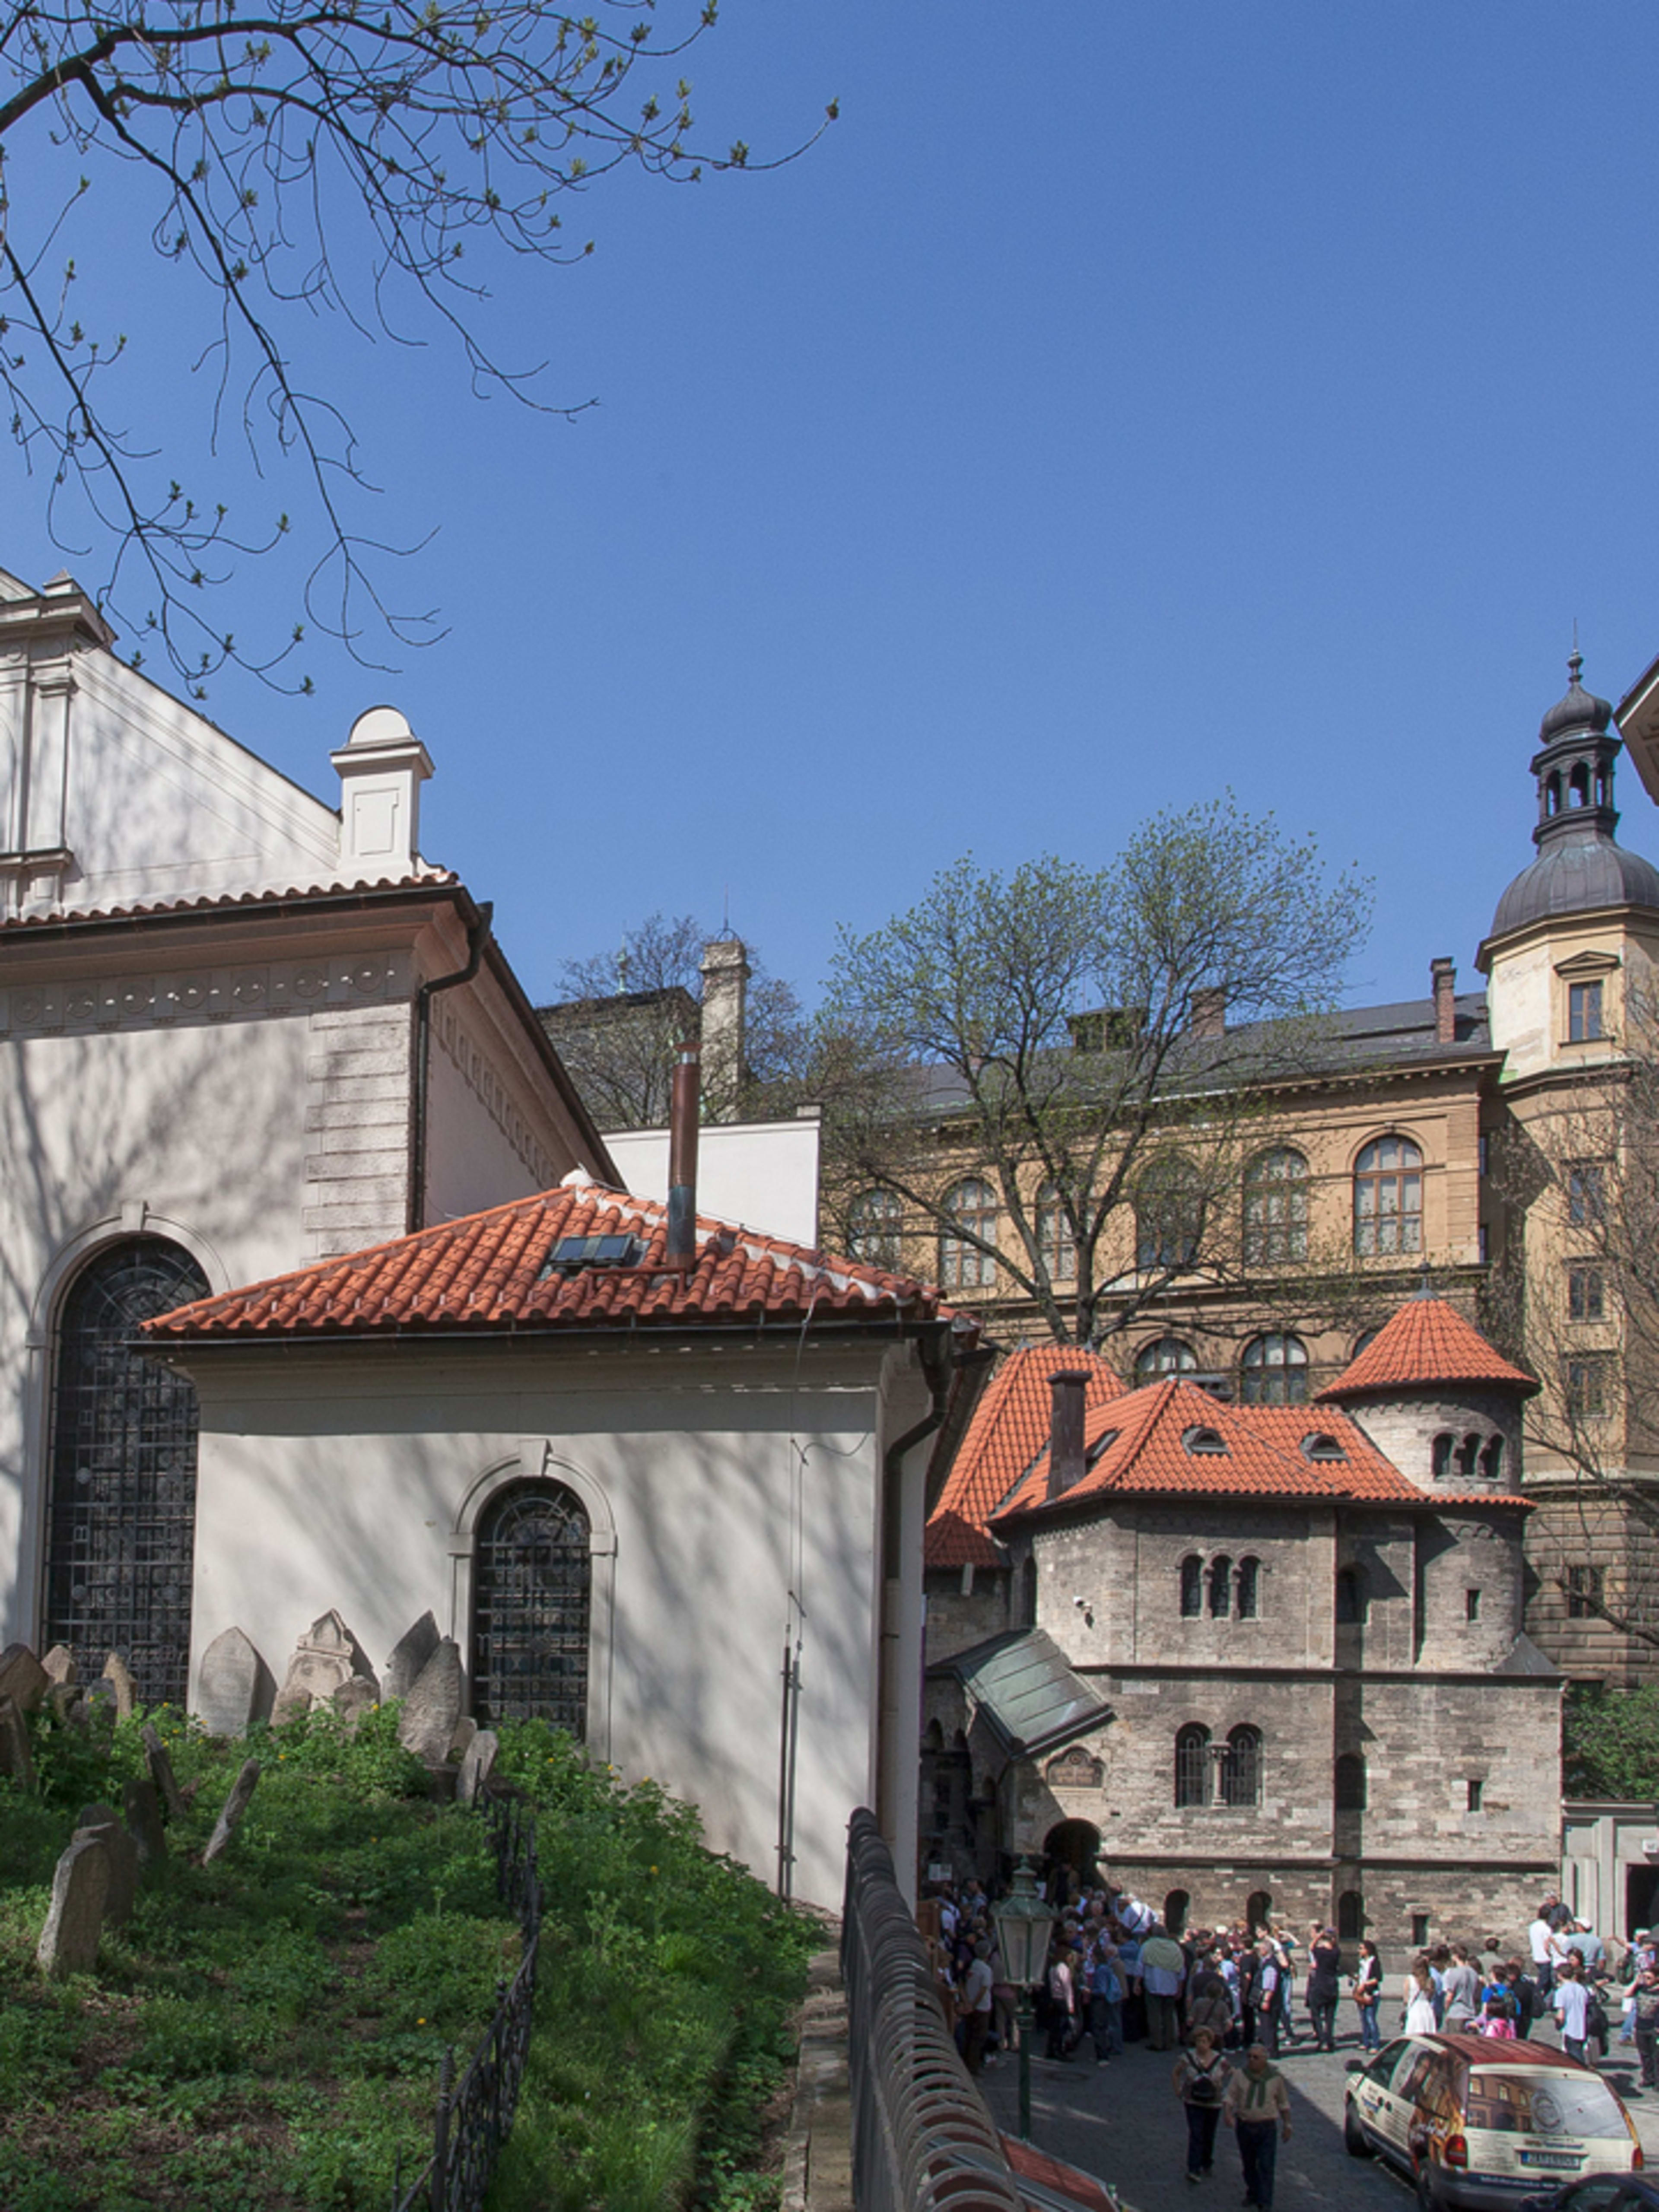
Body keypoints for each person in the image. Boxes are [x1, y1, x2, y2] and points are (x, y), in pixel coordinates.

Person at [1223, 2042, 1293, 2212]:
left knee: (1267, 2165)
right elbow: (1230, 2097)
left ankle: (1265, 2201)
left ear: (1264, 2060)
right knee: (1248, 2164)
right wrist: (1228, 2114)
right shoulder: (1240, 2075)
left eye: (1256, 2057)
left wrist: (1287, 2124)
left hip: (1266, 2127)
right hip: (1245, 2125)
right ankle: (1253, 2192)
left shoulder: (1275, 2079)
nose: (1252, 2061)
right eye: (1249, 2057)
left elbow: (1284, 2103)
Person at [1172, 2025, 1231, 2186]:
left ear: (1211, 2043)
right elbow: (1176, 2072)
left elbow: (1231, 2073)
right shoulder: (1188, 2058)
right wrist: (1178, 2089)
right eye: (1199, 2041)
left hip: (1214, 2102)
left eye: (1204, 2042)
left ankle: (1207, 2161)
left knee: (1209, 2134)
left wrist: (1222, 2086)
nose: (1201, 2045)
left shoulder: (1220, 2060)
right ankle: (1194, 2168)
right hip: (1193, 2101)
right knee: (1196, 2133)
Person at [1141, 1923, 1187, 2053]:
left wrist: (1137, 1983)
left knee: (1154, 2015)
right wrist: (1180, 1987)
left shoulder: (1148, 1946)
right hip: (1171, 1985)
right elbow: (1181, 1971)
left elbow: (1140, 1966)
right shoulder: (1175, 1948)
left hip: (1153, 1984)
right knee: (1168, 2015)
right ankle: (1169, 2041)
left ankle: (1157, 2042)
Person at [960, 1938, 995, 2074]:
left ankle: (967, 2062)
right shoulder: (986, 1970)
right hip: (982, 2007)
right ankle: (973, 2066)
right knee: (978, 2038)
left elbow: (962, 1983)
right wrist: (974, 2005)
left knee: (969, 2036)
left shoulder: (972, 1966)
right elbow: (984, 1989)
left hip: (969, 2005)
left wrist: (967, 2003)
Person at [1306, 1927, 1341, 2051]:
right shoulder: (1336, 1952)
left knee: (1316, 2014)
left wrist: (1318, 1937)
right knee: (1330, 2017)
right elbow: (1335, 1946)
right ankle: (1329, 2040)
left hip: (1319, 1986)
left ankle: (1322, 2039)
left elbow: (1311, 1948)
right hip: (1332, 1986)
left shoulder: (1320, 1952)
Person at [1553, 1959, 1592, 2063]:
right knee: (1579, 2052)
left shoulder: (1561, 1992)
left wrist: (1557, 2023)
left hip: (1570, 2028)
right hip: (1583, 2027)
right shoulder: (1582, 1989)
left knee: (1574, 2057)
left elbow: (1561, 2015)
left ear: (1560, 1975)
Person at [1352, 1939, 1382, 2052]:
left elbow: (1378, 1978)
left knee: (1371, 2019)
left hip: (1372, 1994)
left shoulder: (1374, 1962)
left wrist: (1365, 1984)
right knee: (1364, 2019)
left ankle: (1375, 2043)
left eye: (1361, 1948)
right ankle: (1366, 2041)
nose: (1359, 1951)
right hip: (1361, 1994)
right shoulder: (1361, 1962)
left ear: (1368, 1950)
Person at [1633, 1964, 1659, 2089]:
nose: (1646, 1980)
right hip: (1641, 2026)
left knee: (1656, 2055)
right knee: (1645, 2054)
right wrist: (1637, 1982)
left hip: (1654, 2029)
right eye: (1645, 1978)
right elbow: (1628, 1994)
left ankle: (1657, 2080)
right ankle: (1648, 2078)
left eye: (1649, 1978)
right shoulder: (1641, 1989)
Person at [1404, 1960, 1438, 2036]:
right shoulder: (1430, 1980)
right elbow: (1431, 1997)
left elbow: (1406, 1999)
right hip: (1427, 2010)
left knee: (1413, 2035)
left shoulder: (1410, 1979)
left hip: (1415, 2010)